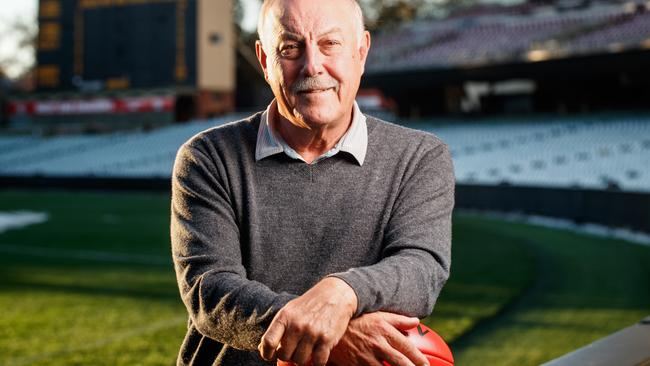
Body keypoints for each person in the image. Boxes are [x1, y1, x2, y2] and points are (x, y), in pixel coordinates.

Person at [170, 0, 455, 365]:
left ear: (361, 51)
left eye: (330, 43)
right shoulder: (208, 157)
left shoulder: (419, 156)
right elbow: (210, 291)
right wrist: (331, 334)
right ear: (264, 60)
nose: (312, 66)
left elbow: (421, 268)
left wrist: (343, 291)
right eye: (290, 48)